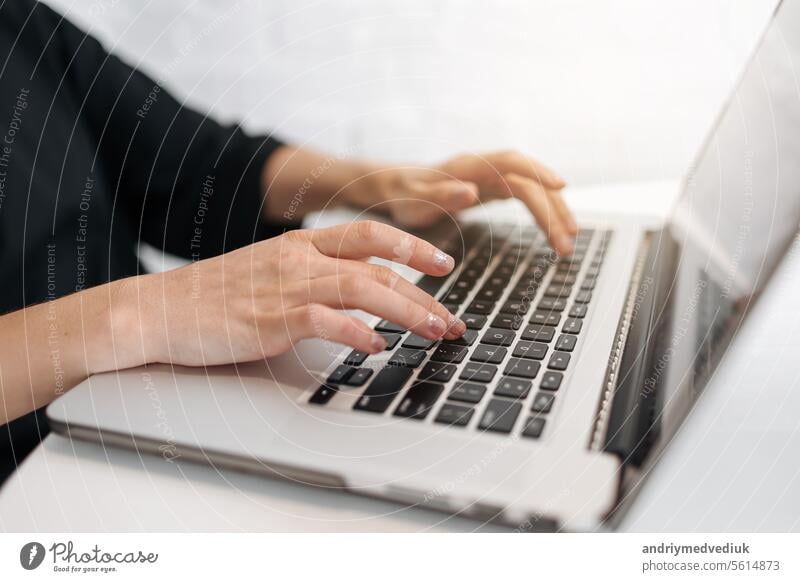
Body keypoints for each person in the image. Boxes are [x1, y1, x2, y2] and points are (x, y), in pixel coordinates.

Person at [0, 0, 575, 482]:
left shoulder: (18, 24)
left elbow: (195, 163)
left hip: (132, 406)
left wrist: (380, 184)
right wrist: (145, 311)